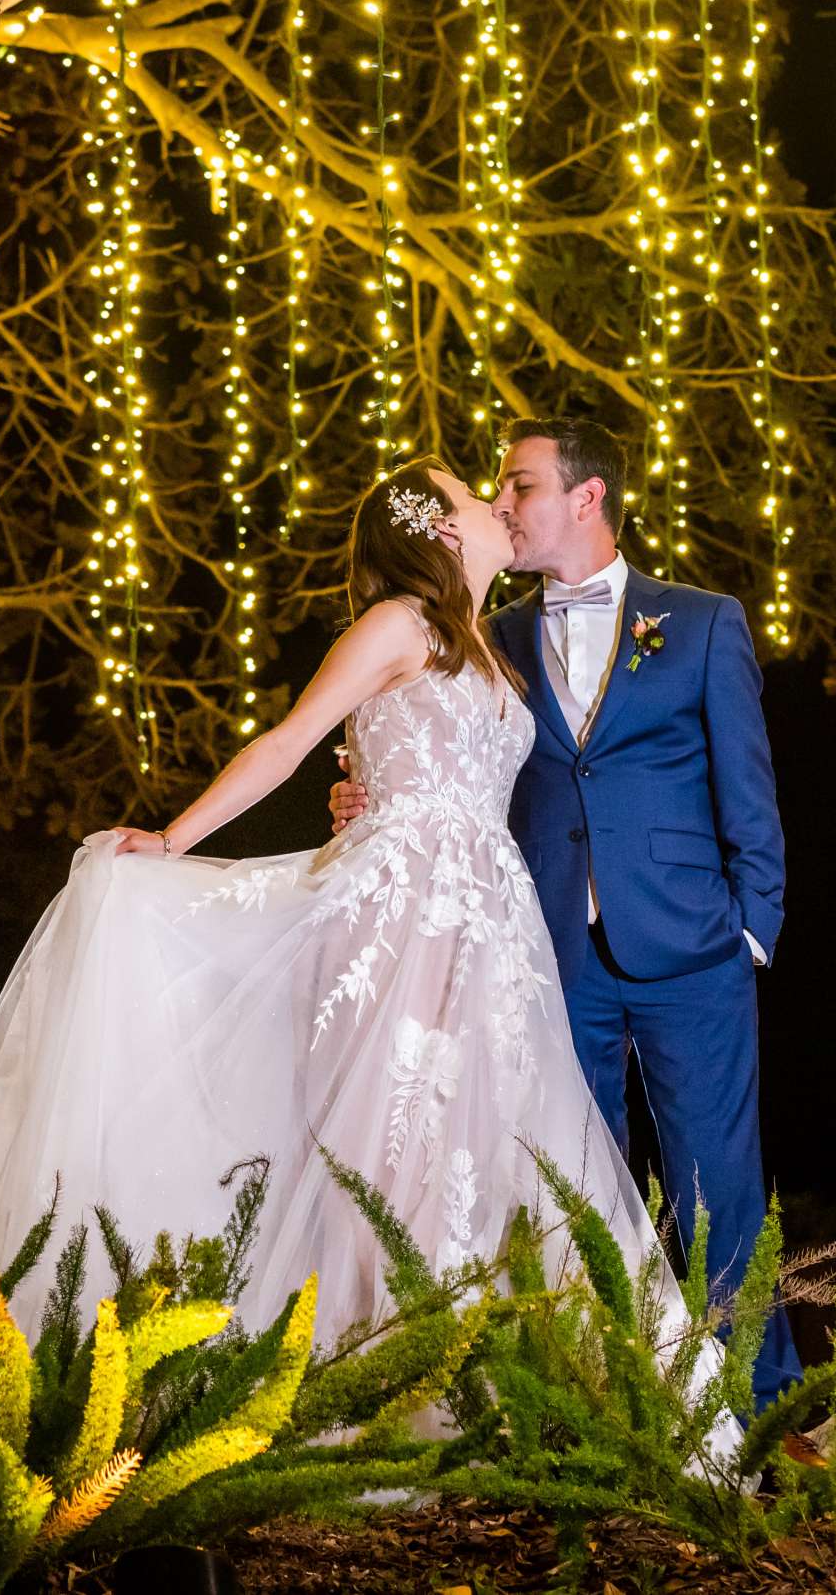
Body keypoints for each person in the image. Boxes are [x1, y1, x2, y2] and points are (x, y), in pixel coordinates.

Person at [0, 457, 732, 1424]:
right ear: (442, 532)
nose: (497, 502)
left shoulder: (488, 647)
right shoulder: (398, 625)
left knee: (487, 1146)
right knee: (387, 1147)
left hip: (489, 927)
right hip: (400, 913)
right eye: (472, 494)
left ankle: (484, 1383)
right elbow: (288, 742)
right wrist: (171, 839)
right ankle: (370, 1386)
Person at [331, 417, 800, 1410]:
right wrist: (362, 795)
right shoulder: (483, 638)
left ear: (585, 498)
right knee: (563, 1188)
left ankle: (761, 1407)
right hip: (542, 958)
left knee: (719, 1181)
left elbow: (748, 790)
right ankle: (597, 1401)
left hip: (692, 948)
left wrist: (753, 924)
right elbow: (449, 768)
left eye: (520, 486)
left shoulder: (703, 622)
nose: (502, 506)